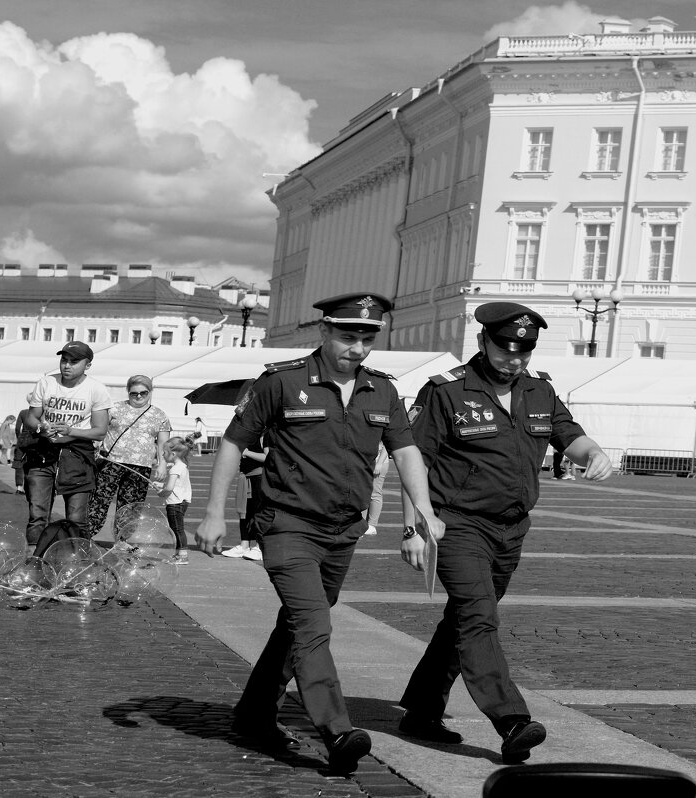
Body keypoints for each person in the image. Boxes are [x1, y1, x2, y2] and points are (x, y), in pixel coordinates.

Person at [195, 292, 444, 776]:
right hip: (287, 524)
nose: (358, 347)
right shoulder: (281, 381)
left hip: (343, 530)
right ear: (325, 332)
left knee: (297, 624)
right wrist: (213, 513)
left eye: (367, 338)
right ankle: (336, 730)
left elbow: (406, 451)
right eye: (348, 336)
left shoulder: (383, 391)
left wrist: (422, 514)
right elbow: (232, 443)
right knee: (313, 625)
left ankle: (253, 711)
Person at [396, 301, 614, 764]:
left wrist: (593, 453)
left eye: (524, 350)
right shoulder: (446, 392)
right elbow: (413, 458)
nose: (514, 359)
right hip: (457, 523)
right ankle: (510, 719)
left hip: (512, 528)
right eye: (505, 348)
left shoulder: (538, 390)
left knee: (463, 619)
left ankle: (420, 709)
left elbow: (568, 434)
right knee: (478, 617)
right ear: (482, 342)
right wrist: (415, 525)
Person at [22, 342, 112, 545]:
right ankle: (33, 563)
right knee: (37, 516)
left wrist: (71, 431)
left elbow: (100, 431)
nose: (67, 366)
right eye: (64, 360)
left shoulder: (96, 389)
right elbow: (31, 418)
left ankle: (78, 563)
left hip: (77, 456)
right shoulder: (46, 383)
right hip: (43, 453)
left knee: (77, 518)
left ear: (87, 365)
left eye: (74, 361)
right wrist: (41, 428)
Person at [87, 376, 171, 537]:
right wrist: (95, 446)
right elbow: (98, 430)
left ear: (150, 392)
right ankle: (86, 537)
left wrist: (162, 465)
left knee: (131, 506)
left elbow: (163, 444)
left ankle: (122, 541)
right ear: (128, 392)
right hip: (111, 463)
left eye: (143, 393)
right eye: (134, 393)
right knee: (99, 501)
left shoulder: (160, 415)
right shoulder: (114, 409)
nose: (138, 396)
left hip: (141, 466)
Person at [220, 438, 265, 560]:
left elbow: (268, 457)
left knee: (259, 513)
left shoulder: (266, 434)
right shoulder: (246, 435)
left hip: (260, 478)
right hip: (246, 477)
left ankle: (260, 547)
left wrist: (247, 452)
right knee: (244, 512)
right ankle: (244, 545)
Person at [156, 436, 192, 564]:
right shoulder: (182, 466)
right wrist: (161, 485)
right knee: (176, 528)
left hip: (175, 503)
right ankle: (178, 554)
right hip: (182, 501)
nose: (162, 455)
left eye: (164, 452)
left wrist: (161, 493)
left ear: (173, 454)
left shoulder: (175, 468)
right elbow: (177, 484)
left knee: (177, 528)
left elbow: (170, 488)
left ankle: (183, 555)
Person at [364, 444, 389, 535]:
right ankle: (361, 524)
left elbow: (387, 444)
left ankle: (371, 525)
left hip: (378, 460)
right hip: (362, 460)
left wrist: (379, 463)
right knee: (361, 492)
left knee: (375, 493)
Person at [12, 407, 32, 495]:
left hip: (22, 438)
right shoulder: (40, 412)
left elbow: (17, 428)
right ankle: (28, 487)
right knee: (31, 463)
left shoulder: (23, 412)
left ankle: (19, 487)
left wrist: (19, 438)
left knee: (19, 462)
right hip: (34, 439)